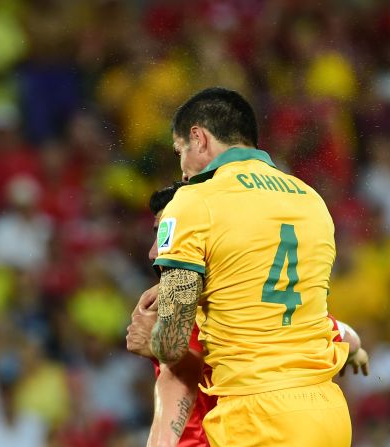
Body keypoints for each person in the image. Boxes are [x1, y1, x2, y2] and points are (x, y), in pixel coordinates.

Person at [148, 87, 356, 446]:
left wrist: (149, 336)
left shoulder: (194, 201)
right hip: (328, 413)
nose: (182, 171)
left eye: (180, 152)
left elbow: (171, 342)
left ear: (198, 138)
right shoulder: (311, 200)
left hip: (256, 417)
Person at [127, 183, 370, 446]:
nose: (154, 251)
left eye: (167, 235)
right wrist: (355, 350)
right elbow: (339, 332)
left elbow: (178, 383)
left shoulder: (195, 316)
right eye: (158, 234)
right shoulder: (248, 309)